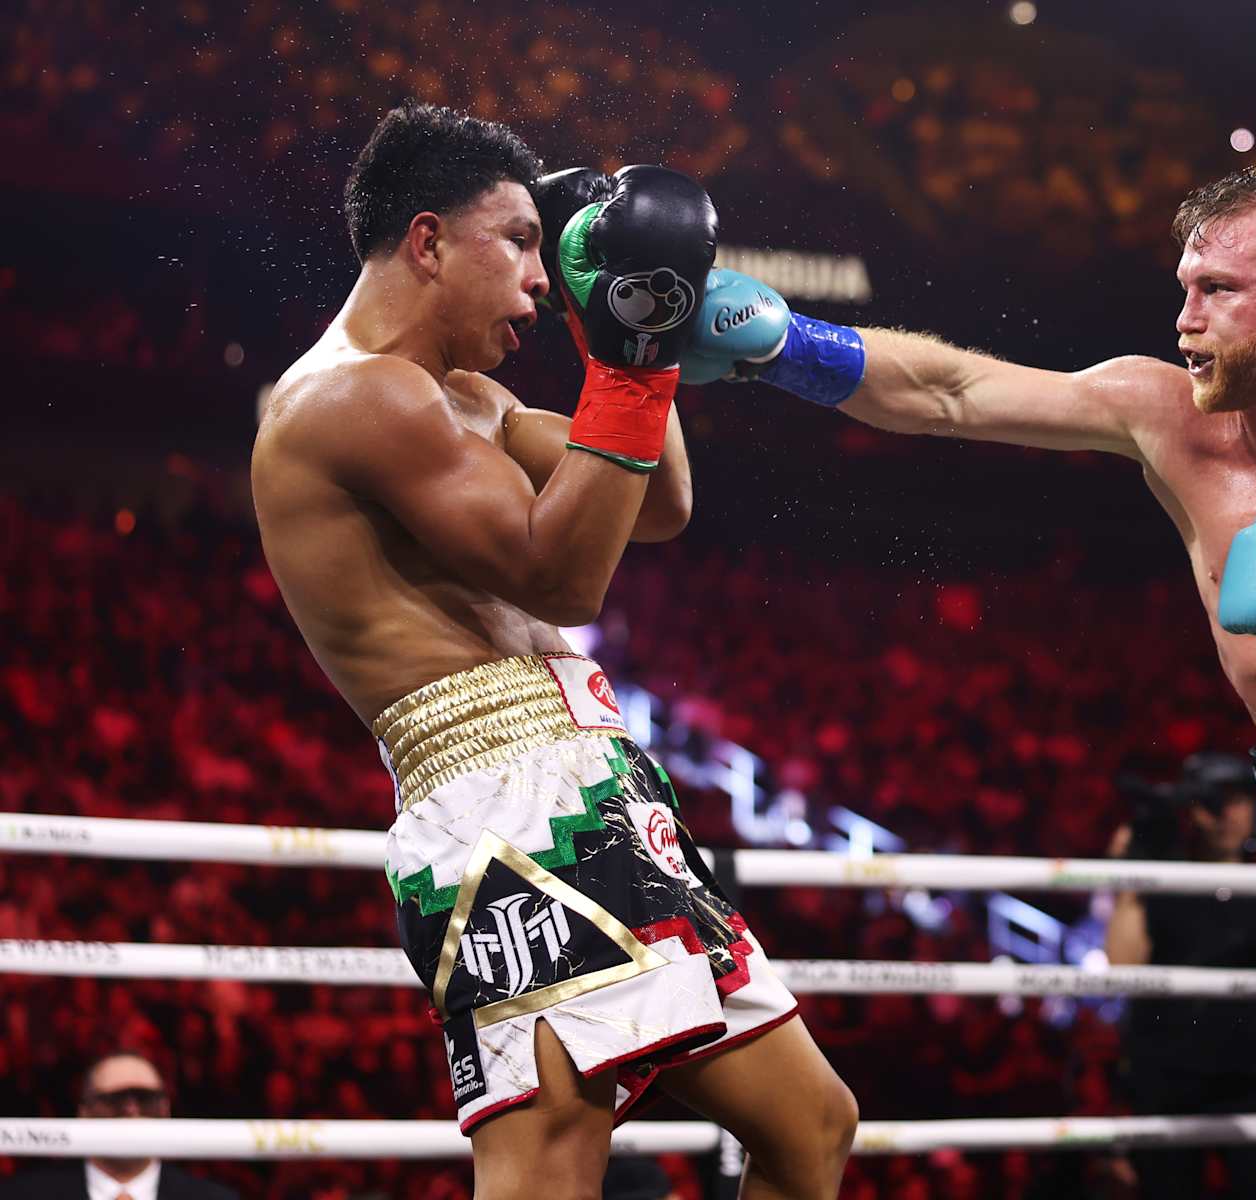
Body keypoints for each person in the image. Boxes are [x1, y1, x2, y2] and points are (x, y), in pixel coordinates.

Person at [686, 164, 1256, 1199]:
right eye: (1183, 287)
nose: (1185, 320)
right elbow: (954, 392)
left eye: (1218, 291)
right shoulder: (1169, 417)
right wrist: (784, 346)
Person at [250, 102, 855, 1200]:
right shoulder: (353, 397)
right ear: (427, 241)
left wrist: (620, 331)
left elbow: (659, 501)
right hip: (501, 812)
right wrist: (624, 369)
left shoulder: (468, 399)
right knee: (551, 1168)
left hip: (598, 785)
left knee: (811, 1126)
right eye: (521, 243)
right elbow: (562, 576)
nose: (542, 276)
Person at [1101, 755, 1256, 1198]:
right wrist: (1130, 881)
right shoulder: (1164, 878)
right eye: (1218, 802)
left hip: (1243, 1072)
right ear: (1194, 810)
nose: (1231, 814)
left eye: (1240, 801)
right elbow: (1123, 968)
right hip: (1163, 1073)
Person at [0, 1052, 239, 1199]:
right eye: (115, 1099)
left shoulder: (213, 1198)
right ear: (84, 1112)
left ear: (165, 1109)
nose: (131, 1110)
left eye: (144, 1098)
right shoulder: (21, 1195)